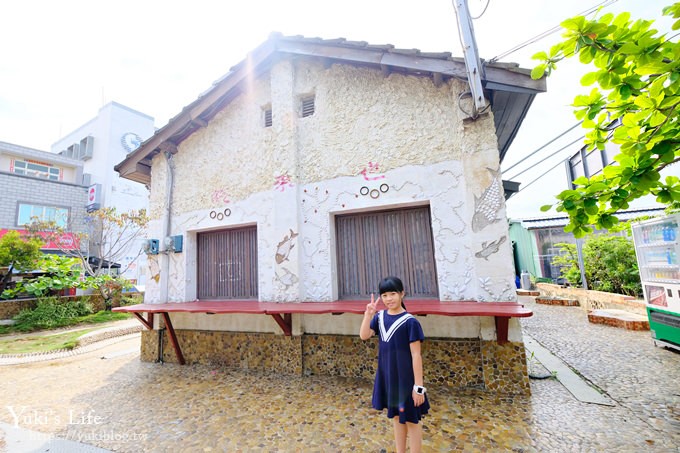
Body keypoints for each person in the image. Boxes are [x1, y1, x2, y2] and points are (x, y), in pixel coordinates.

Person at [359, 276, 430, 453]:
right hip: (389, 377)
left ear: (402, 294)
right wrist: (368, 314)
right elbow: (364, 335)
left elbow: (416, 354)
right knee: (397, 417)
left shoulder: (410, 321)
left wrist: (419, 386)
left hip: (407, 380)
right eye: (384, 295)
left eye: (393, 294)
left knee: (412, 420)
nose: (389, 298)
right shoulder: (380, 317)